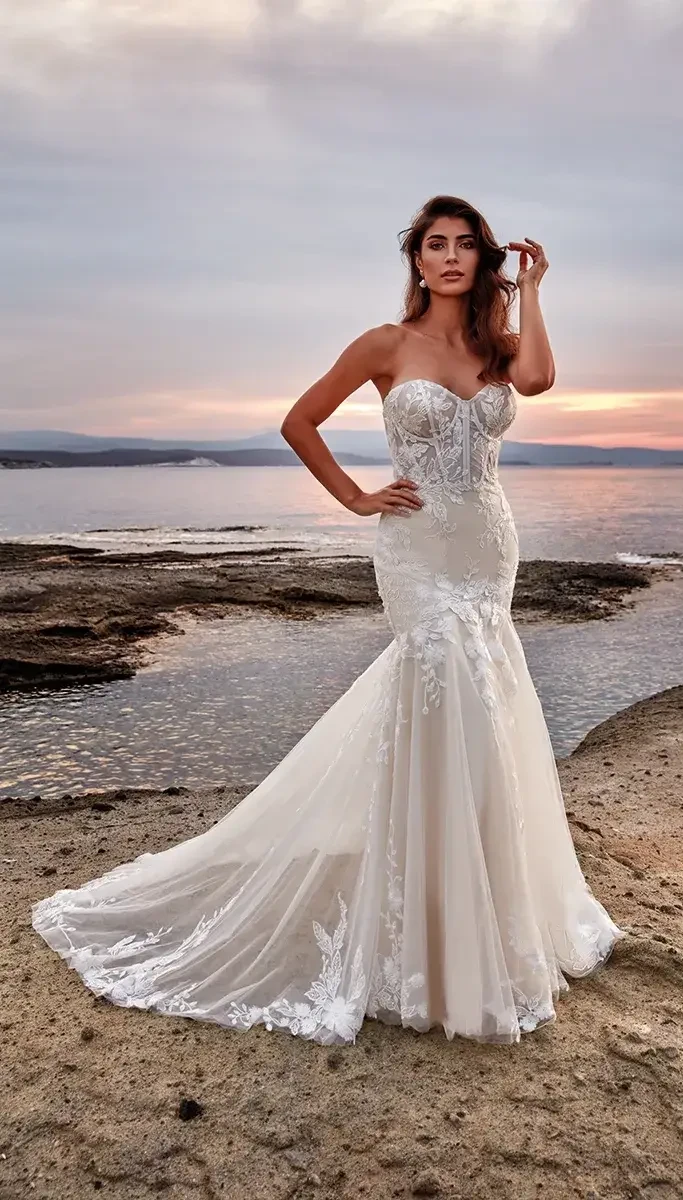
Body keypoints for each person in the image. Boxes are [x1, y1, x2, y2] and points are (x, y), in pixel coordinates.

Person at [31, 194, 627, 1045]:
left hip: (488, 543)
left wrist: (532, 291)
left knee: (485, 702)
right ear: (416, 259)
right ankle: (428, 922)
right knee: (439, 688)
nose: (450, 256)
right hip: (417, 546)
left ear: (482, 259)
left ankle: (482, 905)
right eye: (435, 244)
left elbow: (535, 381)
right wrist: (353, 496)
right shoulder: (385, 344)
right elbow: (298, 421)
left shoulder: (497, 344)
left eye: (465, 245)